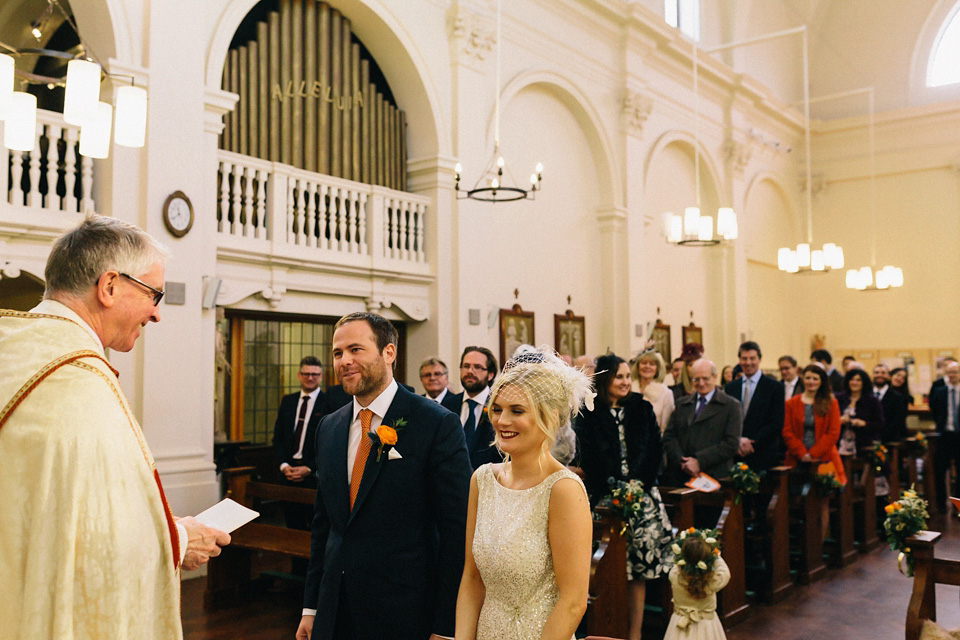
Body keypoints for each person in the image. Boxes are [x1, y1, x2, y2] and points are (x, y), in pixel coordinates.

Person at [0, 214, 230, 639]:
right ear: (108, 287)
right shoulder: (78, 384)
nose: (157, 315)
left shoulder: (11, 350)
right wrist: (178, 540)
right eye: (154, 295)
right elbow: (93, 542)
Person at [297, 312, 472, 640]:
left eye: (355, 350)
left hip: (403, 610)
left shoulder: (435, 424)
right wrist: (311, 608)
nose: (345, 361)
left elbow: (456, 531)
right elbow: (325, 525)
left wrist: (446, 625)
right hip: (335, 608)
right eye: (337, 353)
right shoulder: (330, 427)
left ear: (389, 353)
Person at [456, 347, 592, 640]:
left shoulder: (563, 489)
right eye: (497, 409)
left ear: (549, 416)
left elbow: (573, 603)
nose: (502, 421)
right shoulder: (482, 480)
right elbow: (472, 578)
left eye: (516, 411)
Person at [576, 353, 672, 640]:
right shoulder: (589, 411)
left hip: (642, 499)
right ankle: (605, 630)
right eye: (620, 376)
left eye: (628, 377)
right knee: (605, 566)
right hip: (605, 500)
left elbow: (655, 451)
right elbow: (588, 456)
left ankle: (635, 634)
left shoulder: (641, 408)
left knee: (637, 571)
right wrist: (612, 486)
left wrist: (637, 485)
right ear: (605, 378)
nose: (626, 381)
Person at [663, 359, 741, 495]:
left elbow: (731, 444)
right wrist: (682, 461)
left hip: (714, 477)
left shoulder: (730, 406)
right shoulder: (682, 404)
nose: (701, 383)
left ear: (715, 377)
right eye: (696, 379)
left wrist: (699, 461)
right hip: (682, 476)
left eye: (705, 378)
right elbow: (669, 436)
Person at [272, 355, 330, 529]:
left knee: (315, 530)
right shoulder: (288, 401)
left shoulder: (329, 403)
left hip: (314, 478)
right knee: (292, 526)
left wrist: (310, 468)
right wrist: (284, 466)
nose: (310, 378)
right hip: (287, 474)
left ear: (321, 376)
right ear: (299, 375)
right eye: (306, 374)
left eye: (314, 374)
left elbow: (329, 446)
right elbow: (278, 438)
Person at [725, 341, 784, 473]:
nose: (748, 362)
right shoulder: (731, 387)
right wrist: (738, 441)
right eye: (744, 358)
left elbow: (776, 422)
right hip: (736, 453)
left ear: (760, 359)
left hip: (763, 453)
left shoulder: (775, 387)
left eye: (752, 358)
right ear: (739, 360)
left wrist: (753, 442)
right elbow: (726, 420)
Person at [783, 365, 847, 485]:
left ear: (821, 381)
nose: (811, 381)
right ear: (803, 379)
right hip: (797, 457)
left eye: (815, 378)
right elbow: (787, 432)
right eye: (808, 378)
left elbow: (833, 432)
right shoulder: (791, 403)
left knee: (822, 499)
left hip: (824, 457)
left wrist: (813, 454)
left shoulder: (831, 402)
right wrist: (802, 453)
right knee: (795, 500)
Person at [662, 531, 730, 640]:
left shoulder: (675, 576)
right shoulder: (713, 580)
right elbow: (725, 572)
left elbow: (675, 564)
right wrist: (716, 556)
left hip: (680, 624)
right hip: (707, 627)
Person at [447, 346, 503, 469]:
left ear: (490, 375)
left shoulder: (500, 406)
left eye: (477, 367)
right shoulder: (447, 405)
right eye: (466, 366)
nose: (470, 371)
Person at [929, 360, 960, 513]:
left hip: (959, 436)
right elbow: (934, 410)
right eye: (949, 373)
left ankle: (958, 505)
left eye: (955, 372)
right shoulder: (940, 391)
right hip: (944, 435)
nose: (952, 376)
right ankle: (941, 504)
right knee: (940, 470)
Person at [835, 368, 883, 455]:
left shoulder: (872, 400)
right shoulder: (838, 398)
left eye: (858, 380)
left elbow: (880, 423)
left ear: (863, 382)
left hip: (864, 443)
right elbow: (829, 419)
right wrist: (839, 420)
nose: (854, 383)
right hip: (839, 442)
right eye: (852, 379)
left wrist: (864, 423)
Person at [632, 349, 676, 432]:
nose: (647, 366)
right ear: (637, 367)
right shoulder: (629, 389)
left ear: (657, 369)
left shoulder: (666, 393)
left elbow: (666, 427)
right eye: (644, 363)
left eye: (652, 364)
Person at [874, 364, 908, 443]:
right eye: (877, 372)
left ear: (888, 376)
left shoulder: (898, 397)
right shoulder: (867, 394)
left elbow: (897, 421)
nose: (880, 375)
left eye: (883, 373)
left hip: (889, 438)